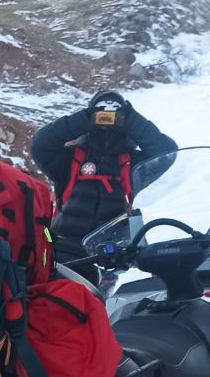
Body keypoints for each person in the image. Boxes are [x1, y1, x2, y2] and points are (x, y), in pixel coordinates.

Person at [30, 90, 177, 288]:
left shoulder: (132, 164)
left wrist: (131, 119)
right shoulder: (70, 159)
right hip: (64, 248)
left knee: (98, 308)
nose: (107, 117)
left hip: (109, 256)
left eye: (116, 113)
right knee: (56, 298)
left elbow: (166, 152)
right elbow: (40, 144)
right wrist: (84, 119)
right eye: (101, 112)